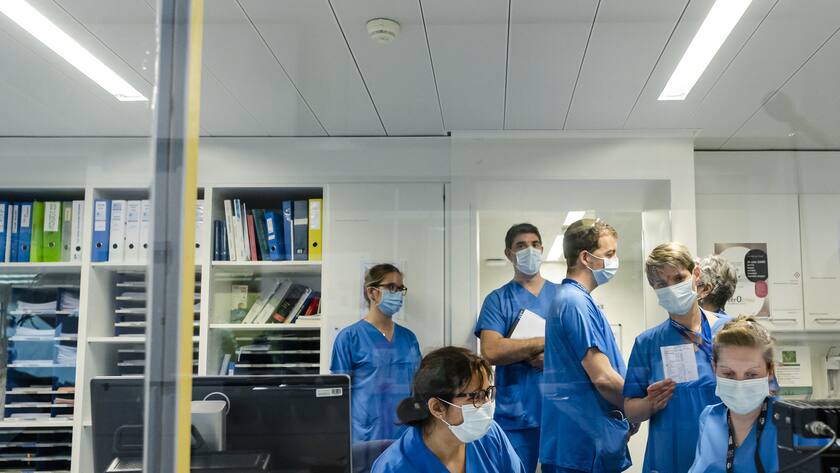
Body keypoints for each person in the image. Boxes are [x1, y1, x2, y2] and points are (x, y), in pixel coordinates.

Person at [623, 243, 730, 473]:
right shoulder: (647, 344)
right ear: (654, 288)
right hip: (669, 460)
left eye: (679, 278)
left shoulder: (730, 332)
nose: (671, 288)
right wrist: (649, 404)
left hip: (722, 457)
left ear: (696, 274)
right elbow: (630, 409)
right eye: (662, 284)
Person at [540, 219, 631, 473]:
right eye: (609, 254)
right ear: (585, 258)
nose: (614, 261)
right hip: (580, 446)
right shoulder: (574, 302)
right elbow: (603, 378)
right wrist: (638, 404)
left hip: (580, 441)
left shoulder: (575, 300)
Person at [474, 223, 557, 473]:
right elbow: (491, 351)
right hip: (517, 415)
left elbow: (582, 351)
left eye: (534, 244)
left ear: (542, 249)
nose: (529, 250)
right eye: (521, 246)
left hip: (561, 412)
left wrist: (552, 357)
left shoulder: (563, 295)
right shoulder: (498, 300)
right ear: (509, 254)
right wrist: (547, 341)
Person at [371, 346, 526, 473]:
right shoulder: (394, 467)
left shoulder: (491, 436)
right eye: (476, 396)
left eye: (488, 393)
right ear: (437, 408)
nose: (486, 404)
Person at [331, 263, 422, 443]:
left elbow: (418, 387)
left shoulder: (408, 338)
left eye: (400, 288)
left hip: (405, 433)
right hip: (365, 435)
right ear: (372, 292)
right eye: (391, 287)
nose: (397, 294)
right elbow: (338, 394)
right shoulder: (349, 338)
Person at [688, 316, 778, 473]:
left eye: (751, 374)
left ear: (770, 371)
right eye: (728, 374)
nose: (739, 385)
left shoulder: (790, 423)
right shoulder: (709, 418)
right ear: (714, 368)